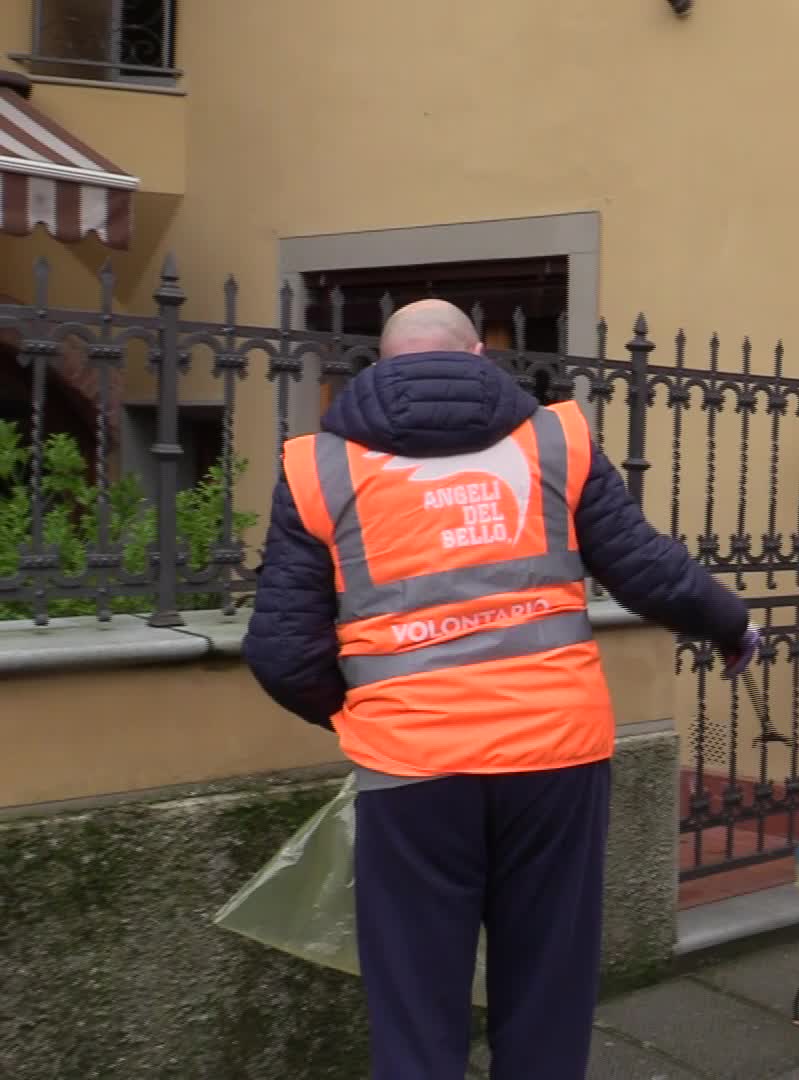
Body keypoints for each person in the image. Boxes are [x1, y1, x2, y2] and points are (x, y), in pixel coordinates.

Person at [242, 300, 760, 1080]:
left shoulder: (317, 465)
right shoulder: (555, 440)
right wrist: (731, 625)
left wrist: (373, 713)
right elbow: (648, 569)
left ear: (378, 366)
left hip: (413, 771)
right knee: (547, 987)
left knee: (416, 1001)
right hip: (556, 758)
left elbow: (282, 653)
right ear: (480, 356)